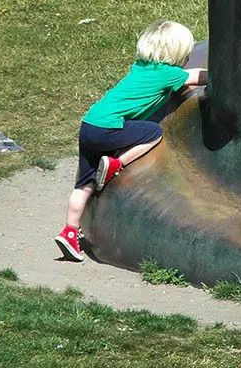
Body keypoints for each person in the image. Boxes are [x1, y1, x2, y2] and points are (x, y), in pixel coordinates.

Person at [54, 20, 207, 261]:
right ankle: (116, 163)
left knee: (83, 185)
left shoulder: (139, 67)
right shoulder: (168, 74)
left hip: (89, 125)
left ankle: (70, 231)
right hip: (110, 128)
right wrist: (222, 76)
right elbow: (197, 77)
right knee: (153, 133)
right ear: (178, 53)